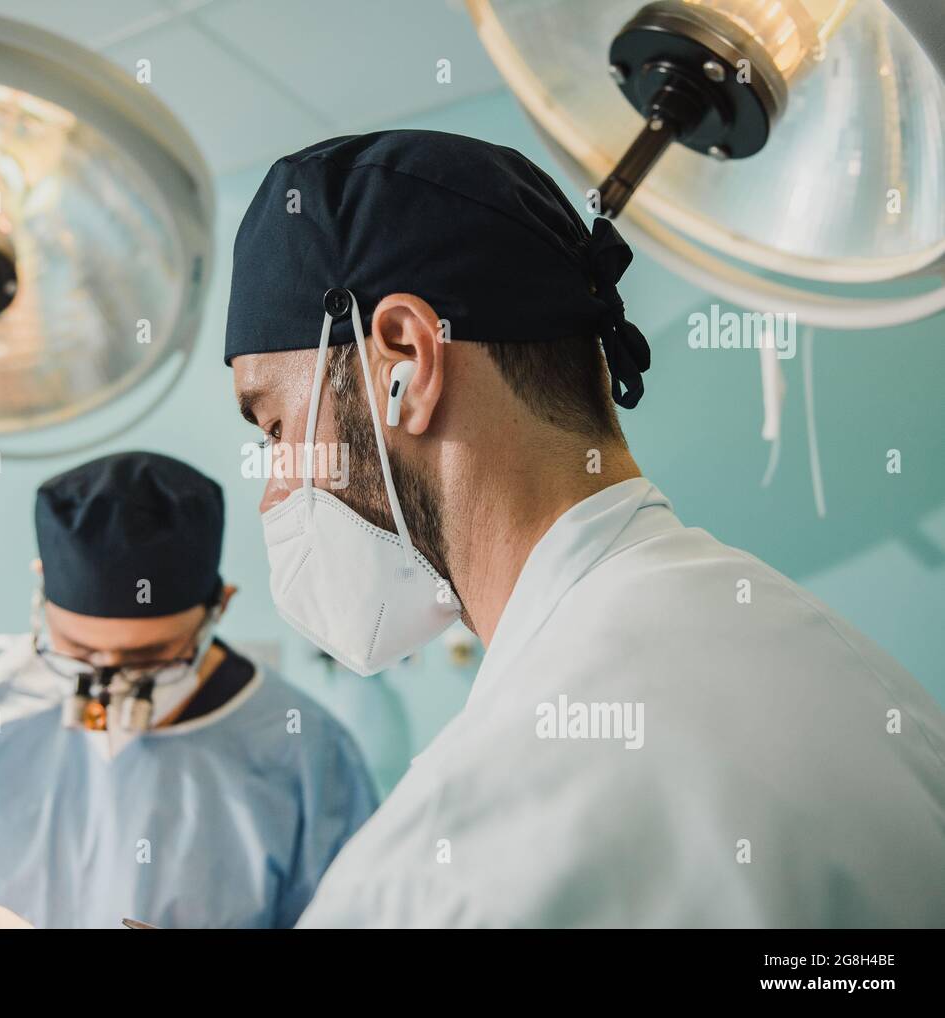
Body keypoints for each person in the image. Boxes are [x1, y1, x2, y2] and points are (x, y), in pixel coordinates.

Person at [224, 129, 945, 927]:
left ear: (408, 362)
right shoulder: (871, 690)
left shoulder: (445, 865)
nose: (274, 496)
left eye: (276, 429)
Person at [0, 451, 377, 929]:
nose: (107, 681)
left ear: (220, 606)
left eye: (150, 657)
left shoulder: (307, 751)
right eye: (79, 652)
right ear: (40, 592)